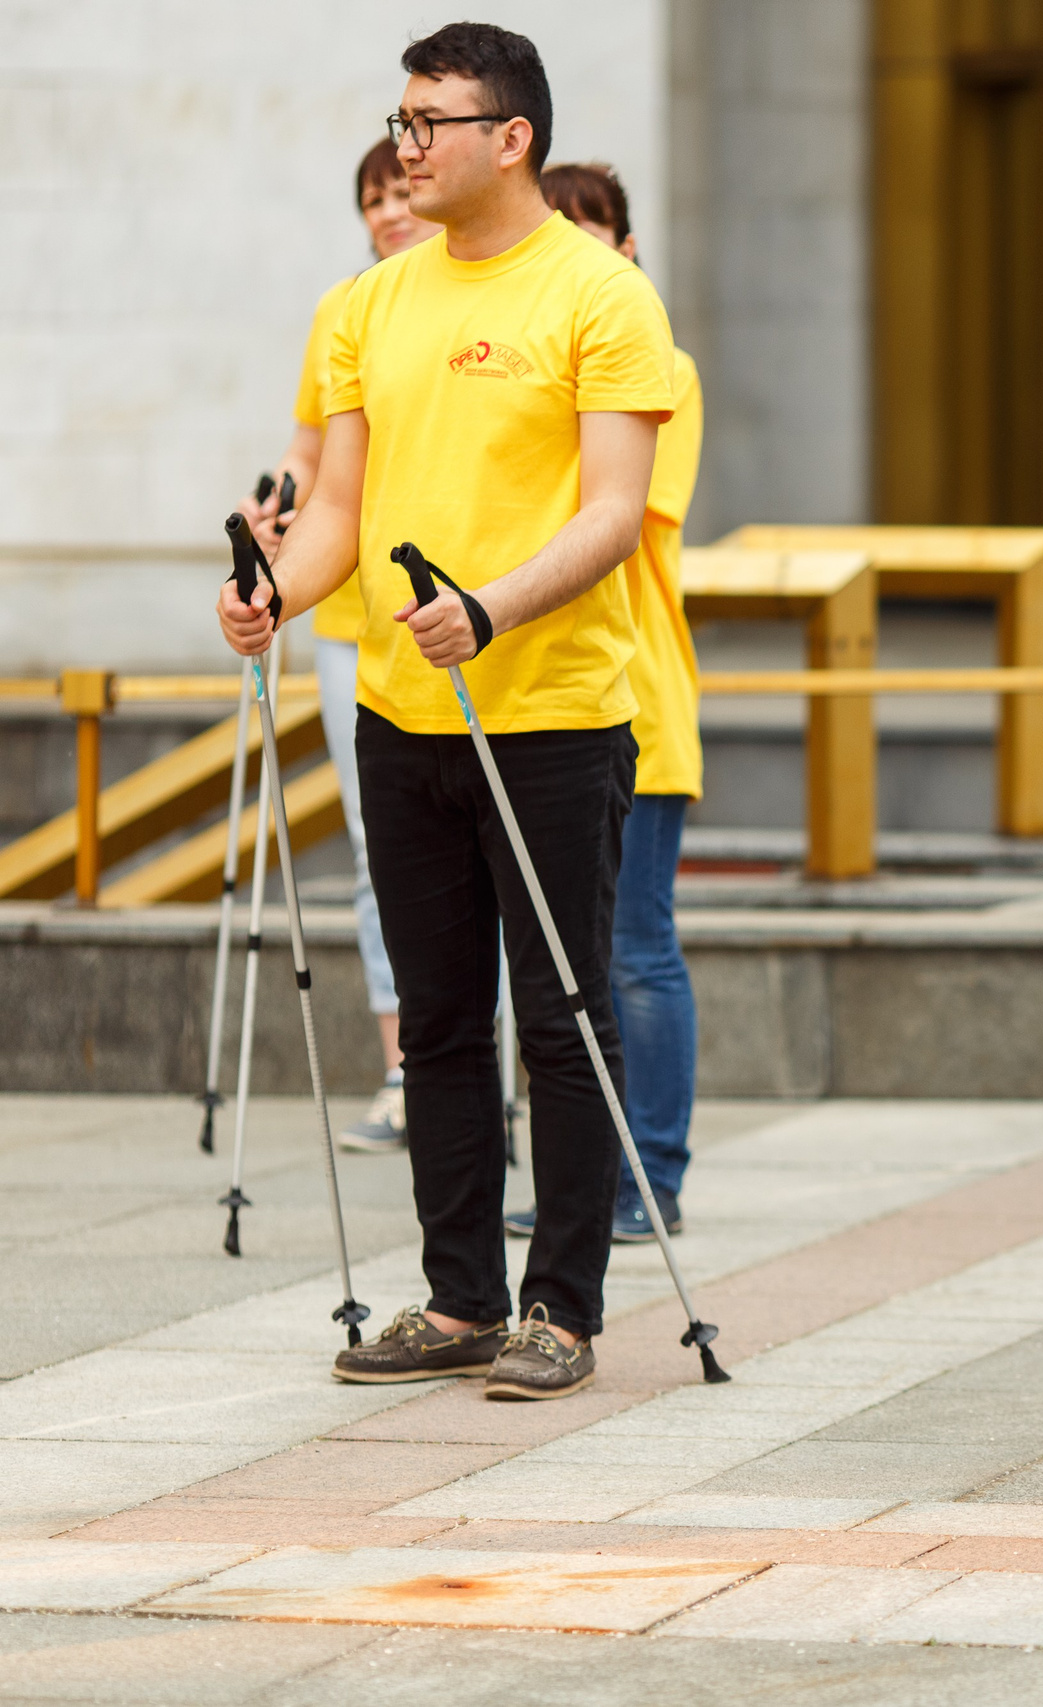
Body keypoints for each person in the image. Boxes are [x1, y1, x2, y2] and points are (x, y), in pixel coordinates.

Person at [216, 22, 674, 1398]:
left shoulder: (598, 297)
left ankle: (565, 1305)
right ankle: (461, 1294)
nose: (404, 147)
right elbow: (341, 514)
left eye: (431, 123)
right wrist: (275, 595)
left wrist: (491, 605)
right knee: (435, 1018)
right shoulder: (367, 305)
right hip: (404, 713)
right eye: (400, 120)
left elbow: (611, 513)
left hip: (550, 706)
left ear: (509, 138)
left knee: (563, 1012)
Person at [503, 162, 704, 1243]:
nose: (574, 247)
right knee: (560, 965)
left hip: (633, 696)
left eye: (593, 229)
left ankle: (652, 1174)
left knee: (635, 949)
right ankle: (590, 1178)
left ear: (624, 249)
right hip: (528, 691)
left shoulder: (657, 360)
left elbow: (614, 509)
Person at [237, 139, 427, 1154]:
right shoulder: (342, 310)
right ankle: (409, 1072)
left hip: (453, 611)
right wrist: (267, 505)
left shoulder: (465, 299)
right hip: (352, 620)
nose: (390, 208)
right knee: (376, 853)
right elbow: (311, 454)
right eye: (373, 196)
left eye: (402, 188)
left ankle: (479, 1068)